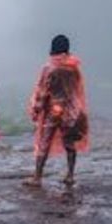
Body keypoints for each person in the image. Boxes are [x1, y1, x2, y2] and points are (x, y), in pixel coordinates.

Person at [25, 34, 89, 187]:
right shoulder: (73, 67)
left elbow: (43, 91)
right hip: (72, 109)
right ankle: (70, 175)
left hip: (53, 110)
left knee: (44, 142)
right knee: (69, 143)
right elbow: (77, 89)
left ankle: (37, 177)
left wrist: (36, 109)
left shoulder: (49, 68)